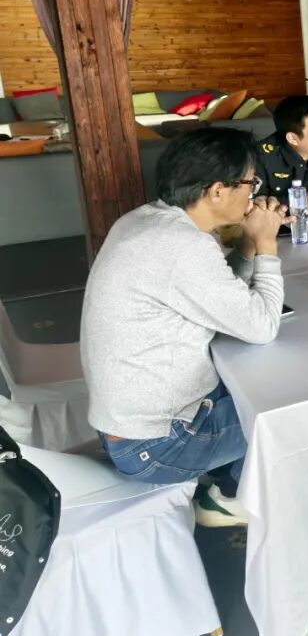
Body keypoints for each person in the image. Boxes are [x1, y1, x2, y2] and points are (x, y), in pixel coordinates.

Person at [81, 128, 287, 528]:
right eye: (250, 183)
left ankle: (224, 477)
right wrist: (266, 244)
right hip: (158, 445)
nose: (254, 193)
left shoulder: (146, 221)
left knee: (253, 380)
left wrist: (247, 244)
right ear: (217, 191)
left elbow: (218, 298)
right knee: (288, 410)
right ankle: (227, 499)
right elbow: (262, 326)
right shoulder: (183, 247)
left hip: (128, 427)